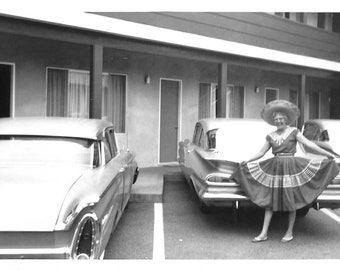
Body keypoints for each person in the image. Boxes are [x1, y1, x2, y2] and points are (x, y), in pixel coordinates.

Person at [232, 99, 339, 243]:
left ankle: (289, 232)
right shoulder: (271, 135)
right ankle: (263, 233)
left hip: (291, 168)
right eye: (276, 120)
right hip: (275, 170)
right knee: (270, 202)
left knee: (290, 201)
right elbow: (261, 152)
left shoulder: (294, 131)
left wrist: (327, 154)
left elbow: (308, 143)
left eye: (281, 119)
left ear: (287, 119)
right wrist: (248, 160)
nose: (279, 122)